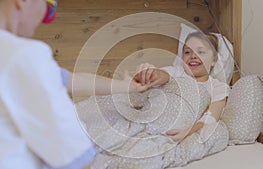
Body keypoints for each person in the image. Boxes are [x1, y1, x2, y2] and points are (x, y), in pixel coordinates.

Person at [0, 0, 147, 168]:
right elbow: (72, 148)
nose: (44, 19)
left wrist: (126, 87)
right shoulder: (25, 55)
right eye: (49, 10)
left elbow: (69, 80)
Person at [135, 31, 230, 142]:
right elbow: (162, 76)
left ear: (214, 59)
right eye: (187, 52)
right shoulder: (176, 72)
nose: (193, 56)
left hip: (178, 131)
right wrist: (151, 74)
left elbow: (212, 117)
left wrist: (187, 133)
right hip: (151, 121)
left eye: (201, 52)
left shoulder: (218, 87)